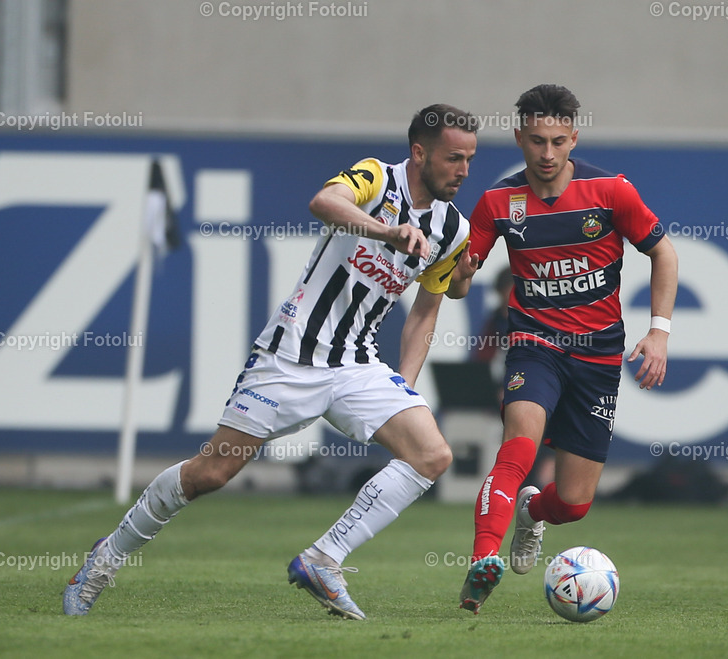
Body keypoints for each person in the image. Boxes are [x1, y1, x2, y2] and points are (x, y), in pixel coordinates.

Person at [64, 104, 480, 621]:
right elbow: (324, 201)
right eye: (453, 159)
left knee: (432, 455)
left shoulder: (452, 228)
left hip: (356, 365)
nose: (463, 170)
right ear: (419, 153)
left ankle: (324, 559)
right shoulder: (377, 178)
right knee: (211, 473)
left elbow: (428, 310)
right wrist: (384, 231)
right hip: (289, 356)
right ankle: (106, 558)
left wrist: (404, 388)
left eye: (469, 159)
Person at [457, 85, 678, 613]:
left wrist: (660, 331)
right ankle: (481, 561)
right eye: (536, 141)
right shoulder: (497, 204)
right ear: (518, 138)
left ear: (574, 136)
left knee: (574, 505)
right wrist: (458, 272)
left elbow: (663, 253)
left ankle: (533, 514)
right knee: (519, 446)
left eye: (558, 141)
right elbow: (461, 281)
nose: (547, 153)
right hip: (535, 345)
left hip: (599, 356)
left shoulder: (611, 192)